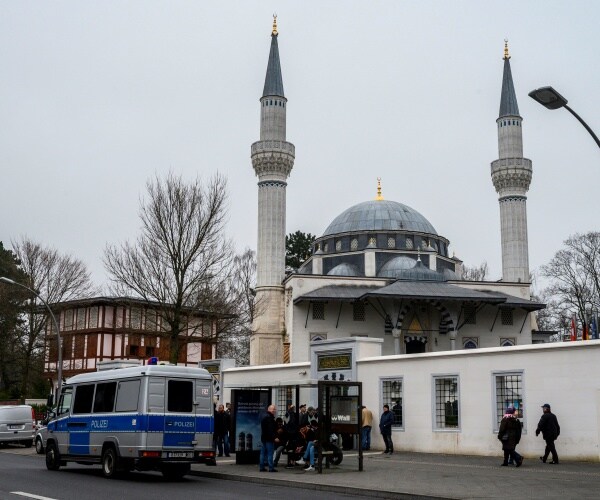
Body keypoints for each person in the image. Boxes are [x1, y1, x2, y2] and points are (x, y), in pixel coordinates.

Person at [259, 404, 278, 472]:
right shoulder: (270, 418)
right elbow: (270, 430)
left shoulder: (264, 417)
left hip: (264, 438)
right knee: (270, 453)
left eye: (275, 409)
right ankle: (271, 468)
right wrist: (274, 437)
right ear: (269, 409)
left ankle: (261, 467)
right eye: (273, 409)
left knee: (263, 453)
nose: (275, 411)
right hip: (269, 439)